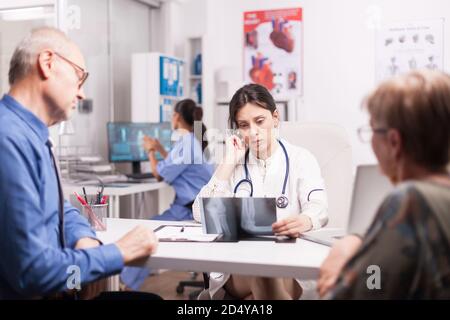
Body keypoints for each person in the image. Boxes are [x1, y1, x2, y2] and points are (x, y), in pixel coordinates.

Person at [0, 27, 159, 299]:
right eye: (79, 77)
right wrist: (117, 253)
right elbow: (34, 274)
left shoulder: (33, 136)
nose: (82, 94)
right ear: (48, 63)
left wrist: (85, 240)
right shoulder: (8, 140)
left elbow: (61, 212)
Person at [318, 70, 450, 299]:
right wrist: (357, 240)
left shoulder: (411, 200)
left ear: (394, 142)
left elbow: (370, 288)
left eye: (372, 129)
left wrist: (341, 274)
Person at [192, 83, 328, 299]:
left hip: (289, 261)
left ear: (275, 118)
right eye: (244, 125)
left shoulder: (301, 158)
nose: (253, 132)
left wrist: (306, 219)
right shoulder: (234, 163)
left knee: (265, 278)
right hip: (240, 266)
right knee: (261, 270)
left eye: (260, 121)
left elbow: (319, 206)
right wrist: (228, 162)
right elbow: (200, 213)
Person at [120, 98, 213, 290]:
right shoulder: (189, 140)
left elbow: (160, 174)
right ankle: (125, 281)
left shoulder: (187, 143)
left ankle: (124, 284)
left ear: (177, 117)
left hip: (190, 212)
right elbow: (173, 163)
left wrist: (150, 152)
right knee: (148, 228)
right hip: (190, 206)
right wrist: (160, 148)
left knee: (148, 232)